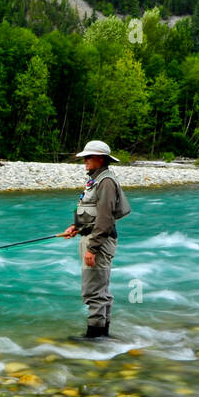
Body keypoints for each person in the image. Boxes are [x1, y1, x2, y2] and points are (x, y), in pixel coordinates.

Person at [57, 140, 128, 339]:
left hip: (98, 243)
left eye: (88, 157)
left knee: (94, 291)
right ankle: (102, 336)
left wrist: (93, 248)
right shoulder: (98, 179)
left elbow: (105, 219)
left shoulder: (105, 182)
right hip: (94, 238)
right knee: (100, 289)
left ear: (100, 158)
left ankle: (94, 338)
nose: (84, 161)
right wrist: (77, 228)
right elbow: (94, 214)